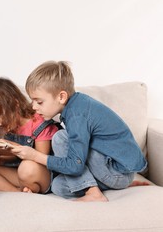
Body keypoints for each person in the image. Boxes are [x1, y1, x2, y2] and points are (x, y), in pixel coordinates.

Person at [21, 60, 147, 202]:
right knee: (58, 186)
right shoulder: (74, 107)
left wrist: (35, 156)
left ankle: (93, 193)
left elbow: (75, 165)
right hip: (110, 172)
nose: (33, 107)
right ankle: (113, 186)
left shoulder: (77, 115)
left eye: (39, 102)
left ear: (61, 97)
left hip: (117, 171)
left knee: (60, 138)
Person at [0, 77, 59, 193]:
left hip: (42, 175)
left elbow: (41, 160)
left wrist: (12, 146)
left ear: (15, 104)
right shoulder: (11, 125)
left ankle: (29, 188)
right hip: (21, 174)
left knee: (27, 167)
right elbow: (16, 159)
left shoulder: (39, 123)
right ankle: (17, 192)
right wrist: (1, 160)